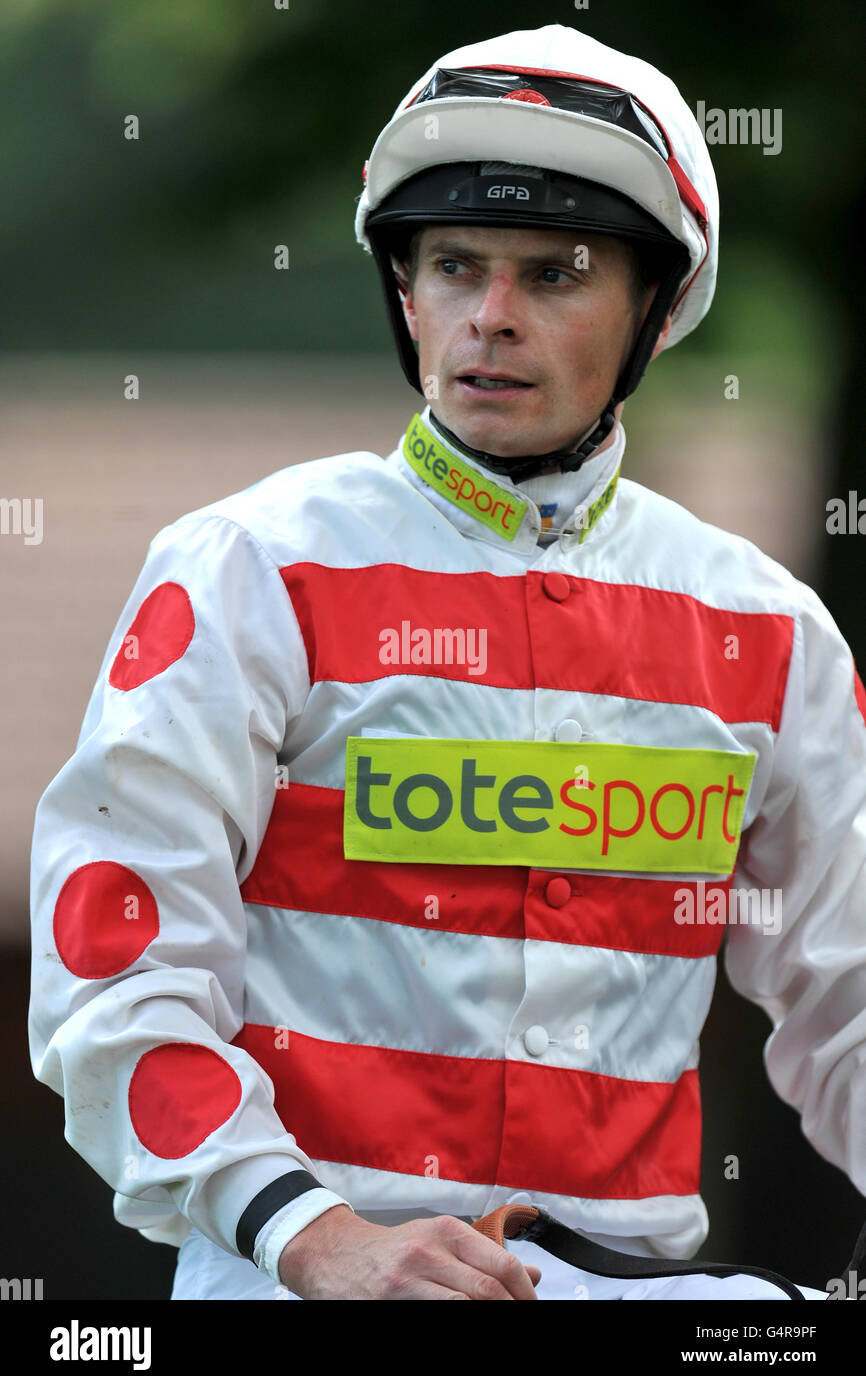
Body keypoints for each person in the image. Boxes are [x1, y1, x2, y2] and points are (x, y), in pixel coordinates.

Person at [28, 23, 866, 1302]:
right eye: (455, 264)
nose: (490, 317)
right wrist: (316, 1236)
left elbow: (849, 1001)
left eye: (553, 274)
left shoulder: (771, 631)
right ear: (403, 292)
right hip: (300, 1278)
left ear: (651, 307)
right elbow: (116, 977)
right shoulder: (250, 568)